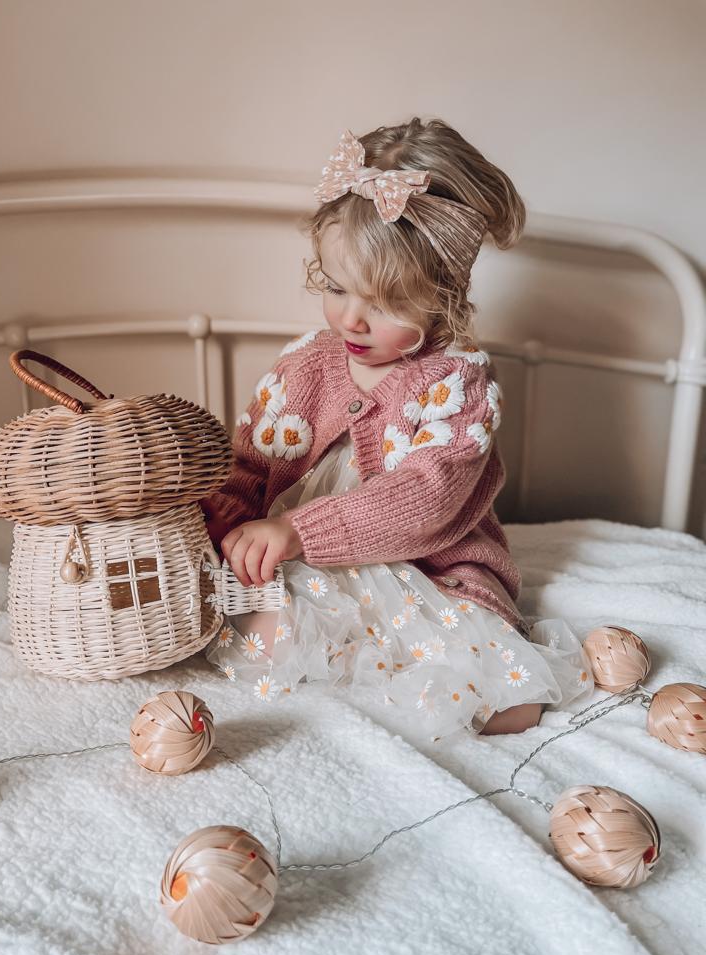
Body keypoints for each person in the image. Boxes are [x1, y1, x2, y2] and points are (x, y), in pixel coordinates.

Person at [200, 118, 593, 742]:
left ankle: (400, 673)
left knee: (506, 699)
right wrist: (228, 516)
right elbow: (254, 464)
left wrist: (298, 528)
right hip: (306, 567)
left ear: (445, 296)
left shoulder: (456, 383)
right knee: (258, 623)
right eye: (335, 287)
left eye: (382, 304)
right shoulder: (304, 362)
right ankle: (352, 670)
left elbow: (426, 501)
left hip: (430, 568)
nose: (350, 317)